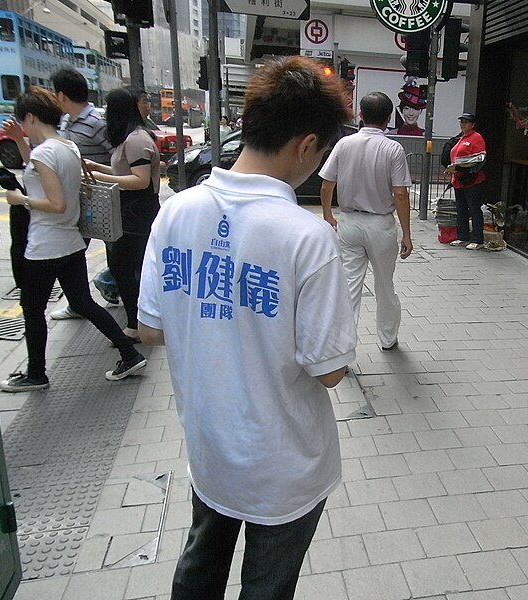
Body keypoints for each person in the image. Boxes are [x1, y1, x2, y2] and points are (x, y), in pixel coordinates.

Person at [137, 56, 357, 600]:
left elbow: (150, 330)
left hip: (211, 448)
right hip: (284, 464)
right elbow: (329, 372)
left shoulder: (175, 212)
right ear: (307, 145)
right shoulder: (307, 238)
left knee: (198, 571)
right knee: (266, 587)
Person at [0, 87, 147, 392]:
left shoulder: (43, 154)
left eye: (22, 122)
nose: (22, 128)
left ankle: (36, 374)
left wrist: (20, 199)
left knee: (32, 310)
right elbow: (41, 176)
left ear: (30, 117)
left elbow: (55, 203)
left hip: (45, 245)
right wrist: (18, 141)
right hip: (71, 242)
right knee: (83, 302)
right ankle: (128, 352)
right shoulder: (68, 147)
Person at [319, 91, 413, 351]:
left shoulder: (344, 144)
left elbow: (327, 186)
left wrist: (328, 214)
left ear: (360, 115)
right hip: (381, 225)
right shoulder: (393, 148)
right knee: (385, 285)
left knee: (349, 287)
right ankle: (387, 339)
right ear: (388, 118)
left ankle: (343, 349)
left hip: (349, 223)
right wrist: (406, 233)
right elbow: (401, 194)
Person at [84, 88, 160, 342]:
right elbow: (125, 169)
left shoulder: (137, 139)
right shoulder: (131, 138)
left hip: (137, 214)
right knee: (129, 268)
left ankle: (136, 325)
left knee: (124, 268)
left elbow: (140, 180)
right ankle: (139, 322)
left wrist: (101, 176)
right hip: (131, 212)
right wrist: (99, 167)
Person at [47, 68, 119, 319]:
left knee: (115, 251)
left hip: (102, 199)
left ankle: (120, 290)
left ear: (61, 95)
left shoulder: (96, 122)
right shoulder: (66, 122)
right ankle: (78, 303)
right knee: (75, 252)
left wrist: (101, 173)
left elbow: (118, 157)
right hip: (78, 199)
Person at [447, 112, 487, 250]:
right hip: (459, 179)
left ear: (473, 124)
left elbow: (479, 159)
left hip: (471, 180)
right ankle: (462, 236)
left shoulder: (476, 138)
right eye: (462, 121)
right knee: (461, 209)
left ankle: (477, 239)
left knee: (474, 209)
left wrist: (467, 170)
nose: (463, 124)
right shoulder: (461, 138)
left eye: (466, 121)